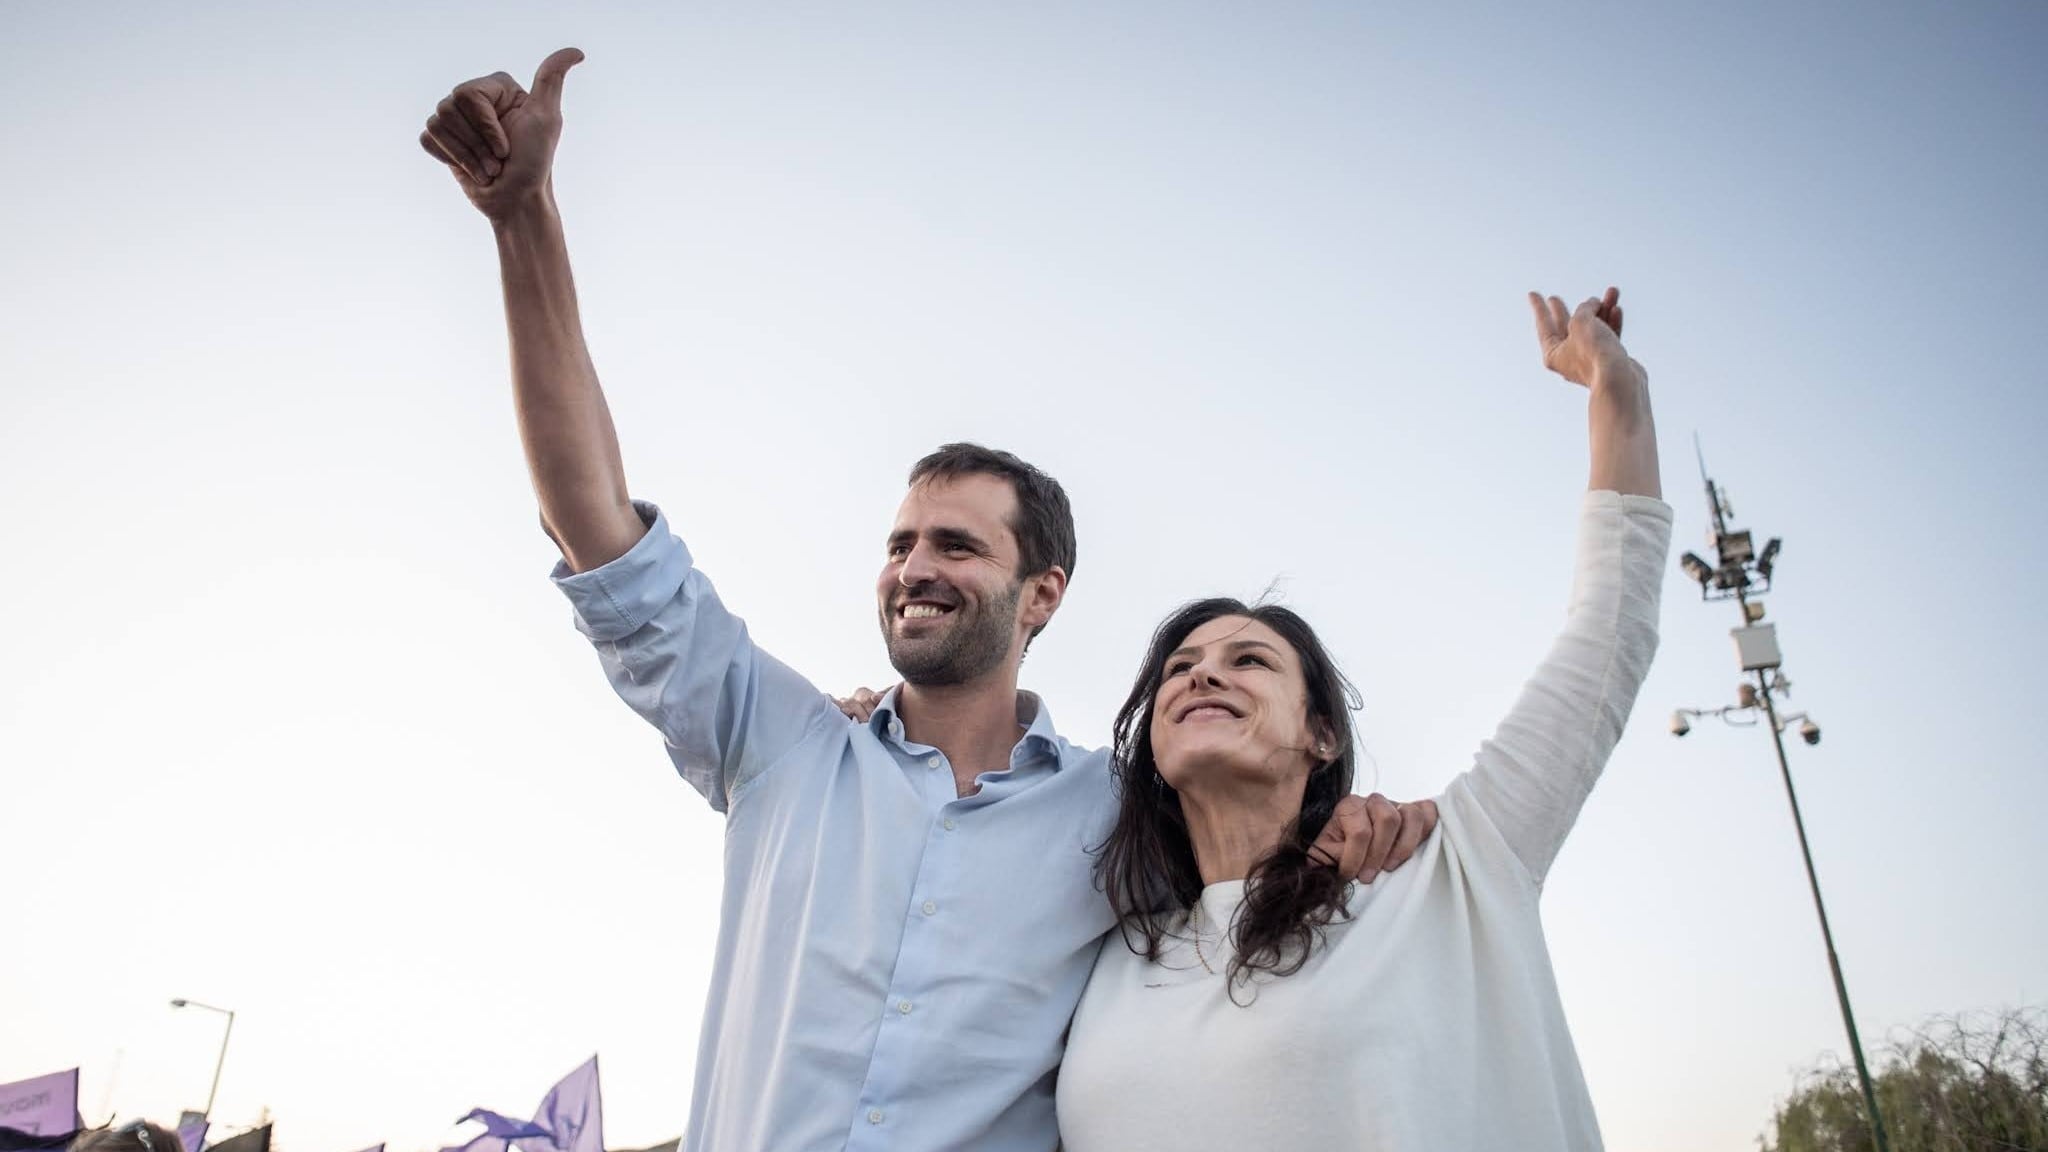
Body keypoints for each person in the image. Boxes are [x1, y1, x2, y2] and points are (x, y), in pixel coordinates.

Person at [417, 49, 1436, 1152]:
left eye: (956, 545)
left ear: (1041, 593)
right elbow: (596, 523)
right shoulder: (778, 744)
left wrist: (1364, 829)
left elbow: (1262, 864)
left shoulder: (1123, 817)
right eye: (899, 543)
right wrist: (523, 221)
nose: (914, 568)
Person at [1055, 289, 1671, 1151]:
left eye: (1250, 661)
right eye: (1180, 669)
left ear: (1323, 735)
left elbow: (1612, 628)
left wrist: (1616, 388)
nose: (1204, 677)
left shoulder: (1448, 874)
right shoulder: (1110, 956)